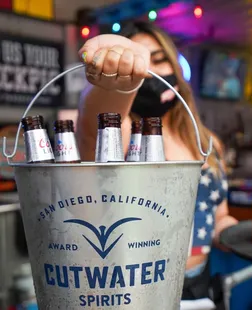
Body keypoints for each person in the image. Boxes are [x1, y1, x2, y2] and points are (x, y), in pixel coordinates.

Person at [76, 21, 238, 307]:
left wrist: (238, 234)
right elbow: (96, 121)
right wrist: (112, 80)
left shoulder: (205, 139)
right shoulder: (123, 132)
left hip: (199, 285)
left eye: (159, 60)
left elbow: (217, 214)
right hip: (138, 287)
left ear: (177, 68)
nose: (150, 71)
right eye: (141, 62)